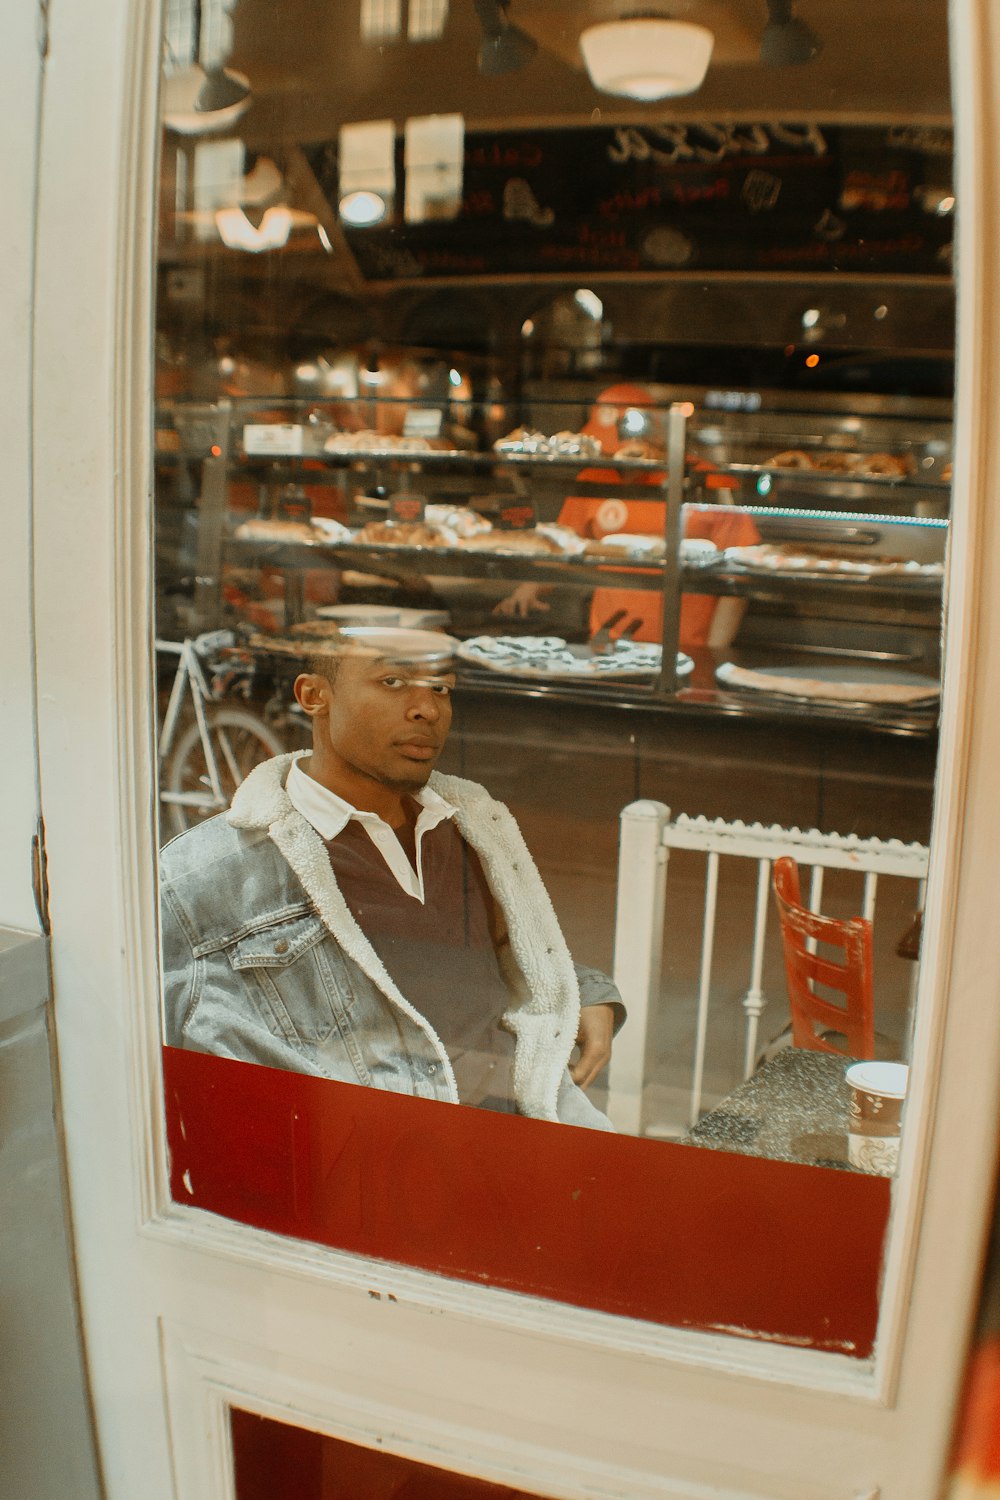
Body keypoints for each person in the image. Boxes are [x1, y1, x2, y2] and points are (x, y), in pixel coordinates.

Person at [160, 628, 622, 1130]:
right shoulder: (203, 875)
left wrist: (587, 992)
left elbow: (499, 950)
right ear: (314, 696)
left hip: (520, 1128)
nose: (427, 708)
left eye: (441, 687)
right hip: (367, 1160)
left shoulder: (470, 821)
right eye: (394, 681)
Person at [497, 383, 759, 650]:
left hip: (684, 647)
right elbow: (564, 548)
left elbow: (738, 576)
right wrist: (529, 588)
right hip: (607, 642)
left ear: (654, 435)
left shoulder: (707, 480)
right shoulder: (593, 477)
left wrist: (712, 650)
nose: (616, 454)